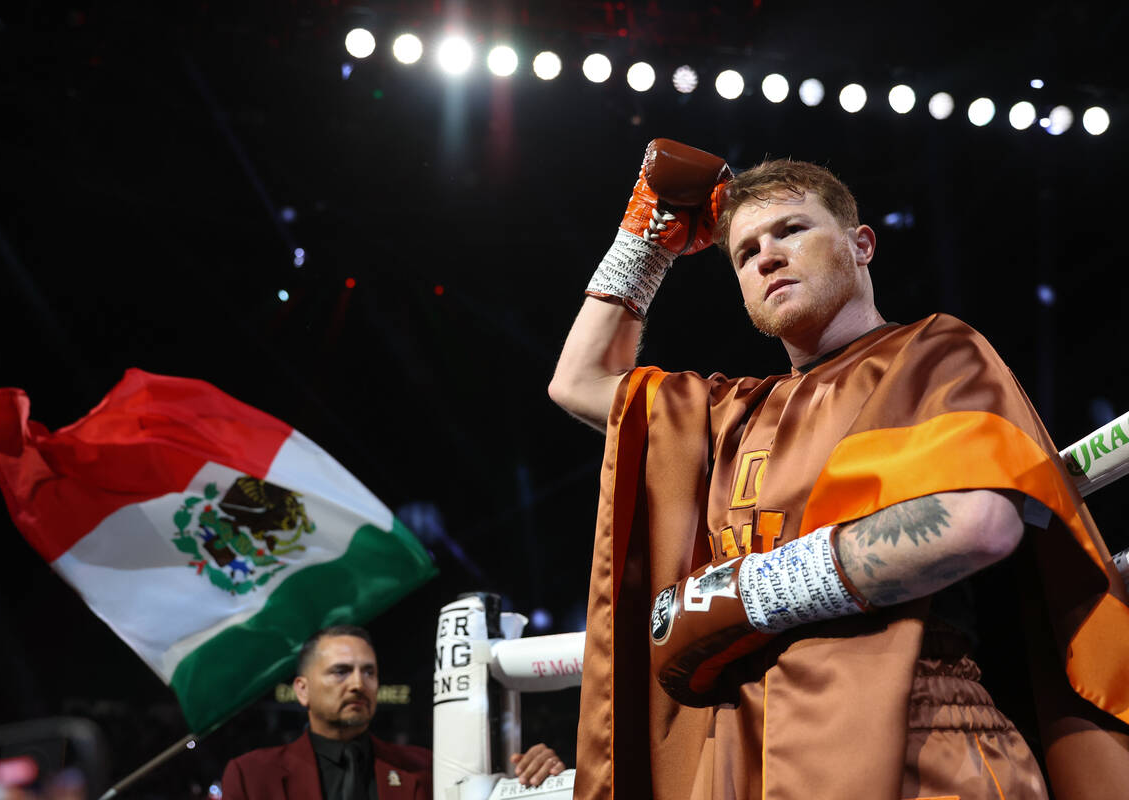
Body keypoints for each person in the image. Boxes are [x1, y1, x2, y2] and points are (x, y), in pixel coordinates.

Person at [549, 143, 1129, 800]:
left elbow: (979, 524)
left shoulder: (932, 352)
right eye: (745, 252)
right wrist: (646, 240)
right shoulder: (728, 415)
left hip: (919, 739)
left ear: (861, 244)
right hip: (754, 755)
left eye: (791, 229)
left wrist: (746, 594)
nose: (766, 254)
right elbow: (580, 382)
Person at [221, 625, 565, 799]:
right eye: (341, 671)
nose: (359, 684)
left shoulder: (427, 768)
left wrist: (541, 782)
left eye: (369, 672)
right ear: (302, 689)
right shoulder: (251, 776)